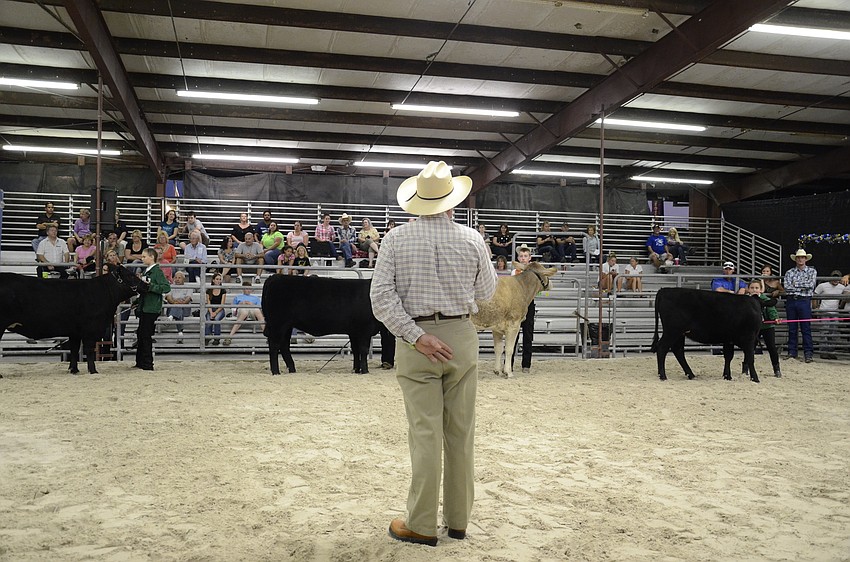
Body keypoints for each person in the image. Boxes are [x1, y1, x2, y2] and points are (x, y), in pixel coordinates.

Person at [370, 161, 497, 547]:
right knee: (461, 432)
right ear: (451, 201)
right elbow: (486, 292)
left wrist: (416, 335)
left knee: (425, 432)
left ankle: (422, 523)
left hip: (417, 340)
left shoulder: (395, 239)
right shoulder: (473, 239)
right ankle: (458, 520)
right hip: (460, 334)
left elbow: (381, 299)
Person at [133, 247, 170, 371]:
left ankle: (148, 363)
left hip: (151, 307)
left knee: (145, 335)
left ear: (151, 257)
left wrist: (151, 286)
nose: (142, 259)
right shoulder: (148, 272)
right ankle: (140, 361)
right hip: (145, 306)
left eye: (144, 257)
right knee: (141, 334)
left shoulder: (157, 272)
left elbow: (166, 287)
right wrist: (137, 301)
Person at [783, 248, 818, 363]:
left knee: (805, 327)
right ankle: (792, 351)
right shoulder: (789, 272)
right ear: (796, 259)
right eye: (798, 257)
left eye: (802, 257)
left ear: (805, 259)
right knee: (792, 328)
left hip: (803, 300)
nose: (800, 259)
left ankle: (807, 353)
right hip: (793, 300)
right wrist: (802, 285)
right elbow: (787, 287)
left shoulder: (812, 271)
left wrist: (795, 284)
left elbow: (811, 285)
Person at [745, 279, 782, 378]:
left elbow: (771, 310)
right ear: (748, 289)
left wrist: (775, 318)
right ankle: (746, 367)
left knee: (771, 347)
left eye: (756, 288)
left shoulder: (765, 299)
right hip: (751, 328)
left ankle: (776, 368)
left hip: (767, 326)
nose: (754, 290)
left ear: (761, 290)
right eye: (752, 288)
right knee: (750, 348)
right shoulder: (745, 301)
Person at [512, 244, 537, 373]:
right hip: (516, 305)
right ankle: (509, 363)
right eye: (521, 256)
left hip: (529, 304)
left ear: (529, 258)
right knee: (513, 334)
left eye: (525, 256)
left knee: (528, 335)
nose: (523, 258)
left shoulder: (533, 272)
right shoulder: (514, 272)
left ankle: (526, 365)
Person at [813, 269, 847, 360]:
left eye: (837, 277)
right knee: (824, 331)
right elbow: (815, 295)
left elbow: (845, 296)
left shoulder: (842, 287)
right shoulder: (822, 286)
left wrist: (841, 306)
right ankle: (823, 352)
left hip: (835, 312)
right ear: (830, 277)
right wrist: (815, 308)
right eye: (834, 277)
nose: (835, 279)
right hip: (824, 311)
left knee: (833, 333)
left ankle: (831, 351)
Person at [165, 270, 193, 344]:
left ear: (183, 279)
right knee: (179, 310)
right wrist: (176, 302)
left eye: (179, 278)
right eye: (176, 277)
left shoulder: (189, 287)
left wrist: (176, 301)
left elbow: (187, 299)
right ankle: (180, 333)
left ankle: (170, 318)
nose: (177, 279)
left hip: (185, 309)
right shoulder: (170, 287)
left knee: (179, 308)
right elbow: (168, 298)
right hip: (173, 308)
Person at [204, 272, 227, 346]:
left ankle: (217, 338)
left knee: (216, 320)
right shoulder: (209, 290)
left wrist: (215, 313)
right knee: (208, 320)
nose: (218, 281)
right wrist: (211, 312)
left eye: (220, 279)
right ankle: (207, 337)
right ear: (213, 280)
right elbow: (208, 303)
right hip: (210, 309)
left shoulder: (223, 290)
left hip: (219, 309)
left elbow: (222, 305)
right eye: (217, 279)